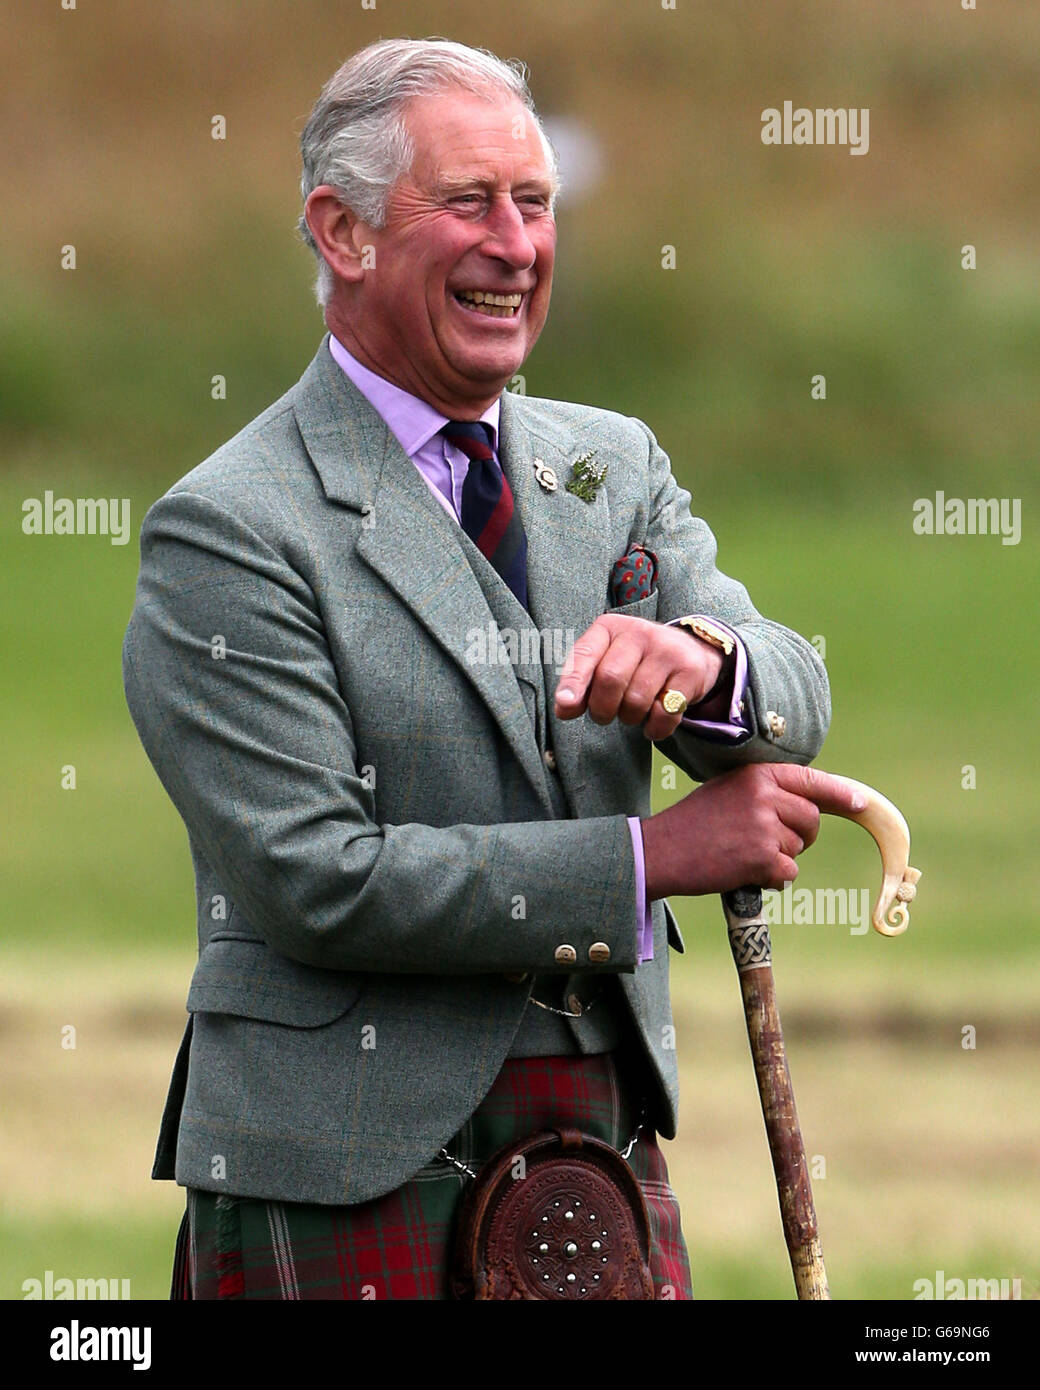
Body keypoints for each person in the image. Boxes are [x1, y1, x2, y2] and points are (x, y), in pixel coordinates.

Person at [122, 36, 858, 1301]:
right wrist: (652, 857)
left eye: (534, 202)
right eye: (467, 202)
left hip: (596, 1143)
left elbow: (793, 689)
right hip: (339, 1166)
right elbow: (316, 880)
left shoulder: (607, 461)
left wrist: (704, 663)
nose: (514, 245)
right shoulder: (230, 526)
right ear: (340, 233)